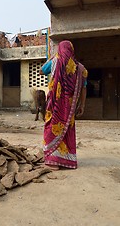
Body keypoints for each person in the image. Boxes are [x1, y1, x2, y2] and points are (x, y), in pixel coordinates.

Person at [39, 40, 88, 170]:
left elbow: (41, 71)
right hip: (70, 108)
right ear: (72, 50)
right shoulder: (81, 69)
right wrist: (82, 105)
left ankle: (52, 161)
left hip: (54, 106)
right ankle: (67, 160)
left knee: (52, 128)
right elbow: (84, 87)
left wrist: (52, 56)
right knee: (66, 131)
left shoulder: (54, 62)